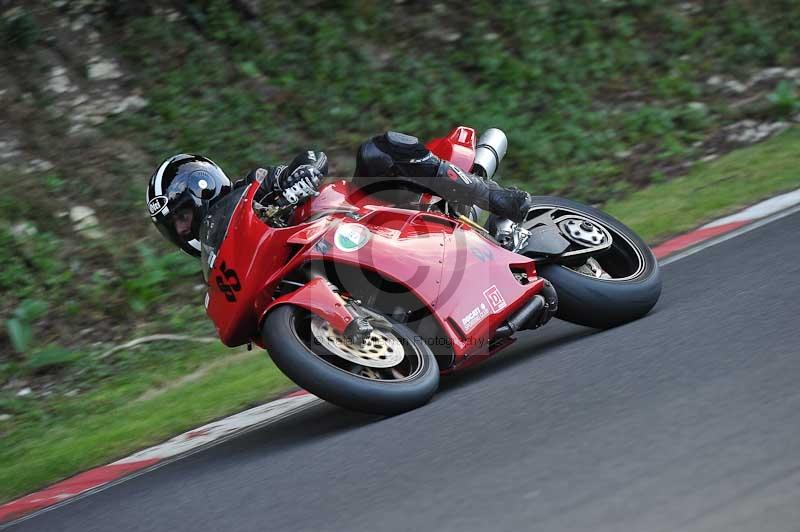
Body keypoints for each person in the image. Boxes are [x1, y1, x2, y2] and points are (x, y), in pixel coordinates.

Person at [146, 131, 531, 256]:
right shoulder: (224, 261)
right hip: (341, 259)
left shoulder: (254, 186)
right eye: (172, 228)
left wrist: (300, 178)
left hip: (364, 214)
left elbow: (314, 159)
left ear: (201, 187)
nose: (181, 231)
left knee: (378, 151)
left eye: (181, 217)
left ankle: (494, 198)